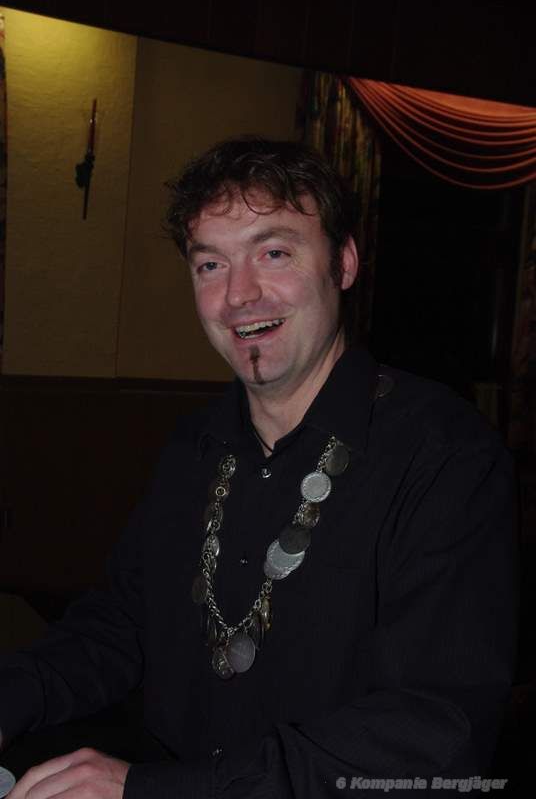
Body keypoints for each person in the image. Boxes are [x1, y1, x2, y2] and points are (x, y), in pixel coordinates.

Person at [0, 137, 517, 798]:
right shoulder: (192, 447)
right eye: (210, 264)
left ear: (344, 263)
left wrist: (157, 790)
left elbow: (435, 734)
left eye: (274, 253)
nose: (239, 295)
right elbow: (121, 625)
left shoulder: (447, 458)